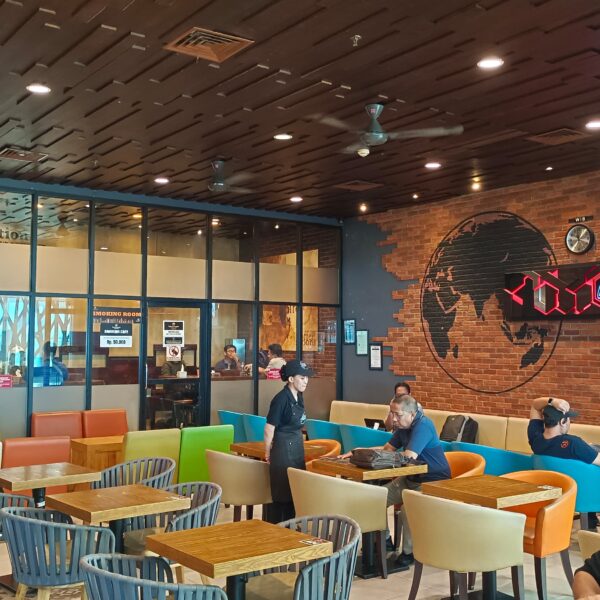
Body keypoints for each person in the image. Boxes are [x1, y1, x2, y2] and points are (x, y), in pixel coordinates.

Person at [341, 394, 450, 567]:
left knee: (408, 510)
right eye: (391, 413)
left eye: (397, 414)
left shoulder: (423, 425)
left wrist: (375, 456)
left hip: (434, 483)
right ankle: (384, 541)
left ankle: (409, 553)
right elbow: (387, 450)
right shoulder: (403, 427)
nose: (393, 419)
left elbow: (408, 457)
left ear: (411, 414)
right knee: (373, 498)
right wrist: (360, 451)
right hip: (411, 478)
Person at [528, 396, 600, 528]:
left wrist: (552, 401)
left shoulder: (535, 440)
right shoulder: (573, 444)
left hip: (561, 490)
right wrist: (589, 450)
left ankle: (591, 519)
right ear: (562, 421)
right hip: (587, 491)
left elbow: (535, 405)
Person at [263, 359, 312, 523]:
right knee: (282, 493)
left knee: (295, 491)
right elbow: (269, 428)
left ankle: (291, 527)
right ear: (291, 379)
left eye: (307, 378)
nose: (306, 381)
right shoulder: (281, 399)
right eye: (302, 378)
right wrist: (267, 451)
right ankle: (277, 529)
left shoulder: (299, 396)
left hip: (297, 446)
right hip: (283, 448)